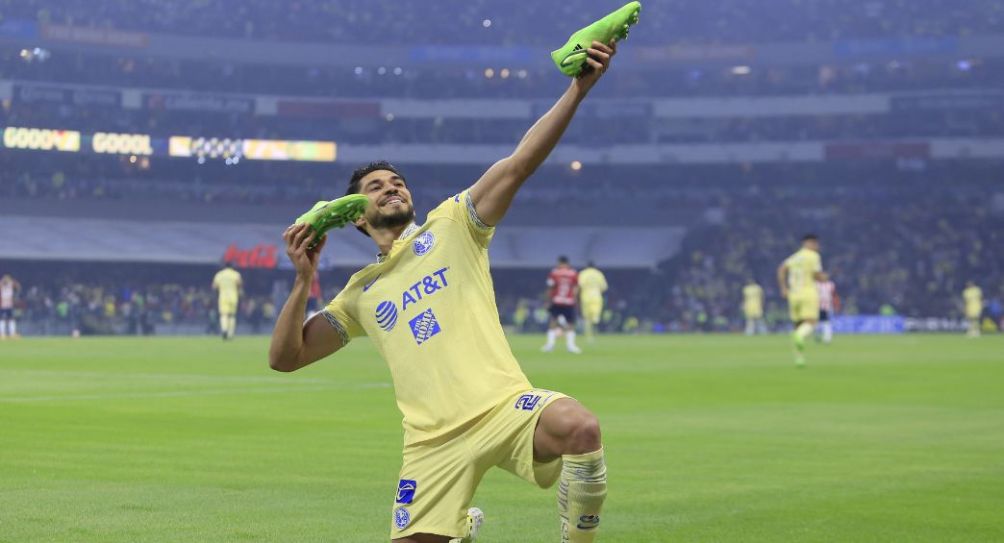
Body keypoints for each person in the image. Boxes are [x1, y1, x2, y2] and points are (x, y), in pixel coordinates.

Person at [268, 39, 618, 543]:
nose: (392, 188)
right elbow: (286, 357)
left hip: (504, 408)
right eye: (376, 187)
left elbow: (519, 163)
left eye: (397, 182)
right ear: (355, 216)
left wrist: (577, 90)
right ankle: (460, 530)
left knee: (580, 427)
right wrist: (303, 280)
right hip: (431, 445)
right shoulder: (360, 292)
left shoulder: (454, 224)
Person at [777, 234, 824, 367]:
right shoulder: (813, 256)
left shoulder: (795, 257)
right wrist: (824, 277)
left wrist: (783, 288)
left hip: (793, 294)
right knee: (811, 323)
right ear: (812, 243)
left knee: (797, 325)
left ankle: (799, 358)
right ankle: (799, 336)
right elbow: (817, 275)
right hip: (808, 292)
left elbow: (781, 269)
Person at [542, 256, 581, 353]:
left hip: (557, 301)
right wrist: (575, 300)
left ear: (560, 263)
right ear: (568, 263)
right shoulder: (573, 273)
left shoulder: (554, 273)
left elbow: (550, 288)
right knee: (570, 324)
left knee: (553, 322)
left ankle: (550, 345)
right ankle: (571, 346)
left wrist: (547, 301)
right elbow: (576, 289)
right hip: (569, 301)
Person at [578, 262, 608, 343]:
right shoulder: (599, 274)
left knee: (587, 318)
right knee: (595, 315)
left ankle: (588, 336)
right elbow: (604, 287)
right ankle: (595, 325)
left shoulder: (583, 273)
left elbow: (580, 285)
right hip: (596, 296)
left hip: (585, 296)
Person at [212, 262, 243, 340]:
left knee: (224, 315)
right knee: (232, 315)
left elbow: (214, 286)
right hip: (233, 296)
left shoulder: (219, 275)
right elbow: (239, 285)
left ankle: (224, 330)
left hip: (223, 296)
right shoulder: (236, 274)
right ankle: (230, 334)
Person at [816, 272, 841, 344]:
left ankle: (827, 338)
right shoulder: (817, 285)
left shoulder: (830, 285)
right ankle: (819, 336)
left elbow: (834, 295)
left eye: (825, 276)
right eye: (822, 276)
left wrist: (836, 304)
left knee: (826, 322)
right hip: (817, 306)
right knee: (817, 322)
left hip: (827, 306)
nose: (823, 277)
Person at [0, 274, 21, 340]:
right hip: (2, 305)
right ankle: (2, 334)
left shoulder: (11, 284)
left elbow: (18, 287)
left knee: (11, 319)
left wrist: (13, 281)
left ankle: (12, 333)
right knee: (2, 319)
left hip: (9, 305)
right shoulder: (1, 285)